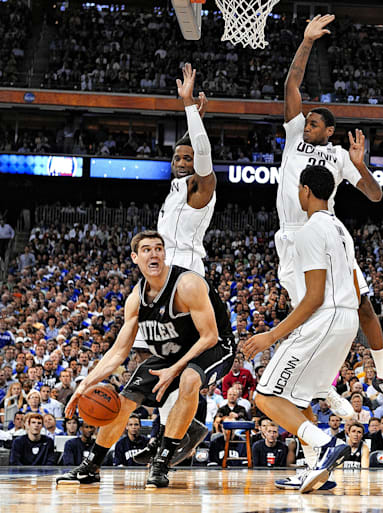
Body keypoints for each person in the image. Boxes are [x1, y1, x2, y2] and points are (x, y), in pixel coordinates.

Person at [275, 14, 383, 420]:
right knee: (308, 318)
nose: (307, 126)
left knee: (363, 306)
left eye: (314, 123)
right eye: (307, 121)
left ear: (328, 131)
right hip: (292, 236)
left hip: (327, 233)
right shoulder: (293, 139)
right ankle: (324, 388)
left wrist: (360, 164)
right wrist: (307, 41)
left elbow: (375, 194)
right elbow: (291, 85)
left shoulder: (337, 155)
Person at [55, 230, 236, 488]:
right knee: (123, 401)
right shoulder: (135, 299)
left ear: (164, 254)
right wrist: (83, 385)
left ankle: (161, 462)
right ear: (135, 257)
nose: (154, 253)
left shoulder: (187, 284)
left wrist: (173, 369)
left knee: (188, 379)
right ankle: (91, 466)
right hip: (171, 353)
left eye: (158, 248)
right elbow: (118, 352)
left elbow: (209, 336)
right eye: (147, 249)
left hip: (214, 347)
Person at [241, 164, 363, 494]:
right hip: (346, 319)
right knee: (300, 398)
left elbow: (313, 298)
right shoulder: (340, 229)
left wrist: (271, 335)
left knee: (265, 396)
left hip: (326, 318)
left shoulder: (310, 231)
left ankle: (323, 446)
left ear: (305, 190)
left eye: (298, 188)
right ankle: (312, 468)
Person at [133, 63, 217, 467]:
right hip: (161, 282)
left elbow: (203, 156)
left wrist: (189, 109)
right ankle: (181, 432)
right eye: (177, 156)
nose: (183, 161)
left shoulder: (202, 189)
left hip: (186, 281)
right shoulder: (172, 192)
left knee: (180, 363)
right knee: (159, 362)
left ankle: (177, 436)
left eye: (188, 157)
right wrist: (191, 120)